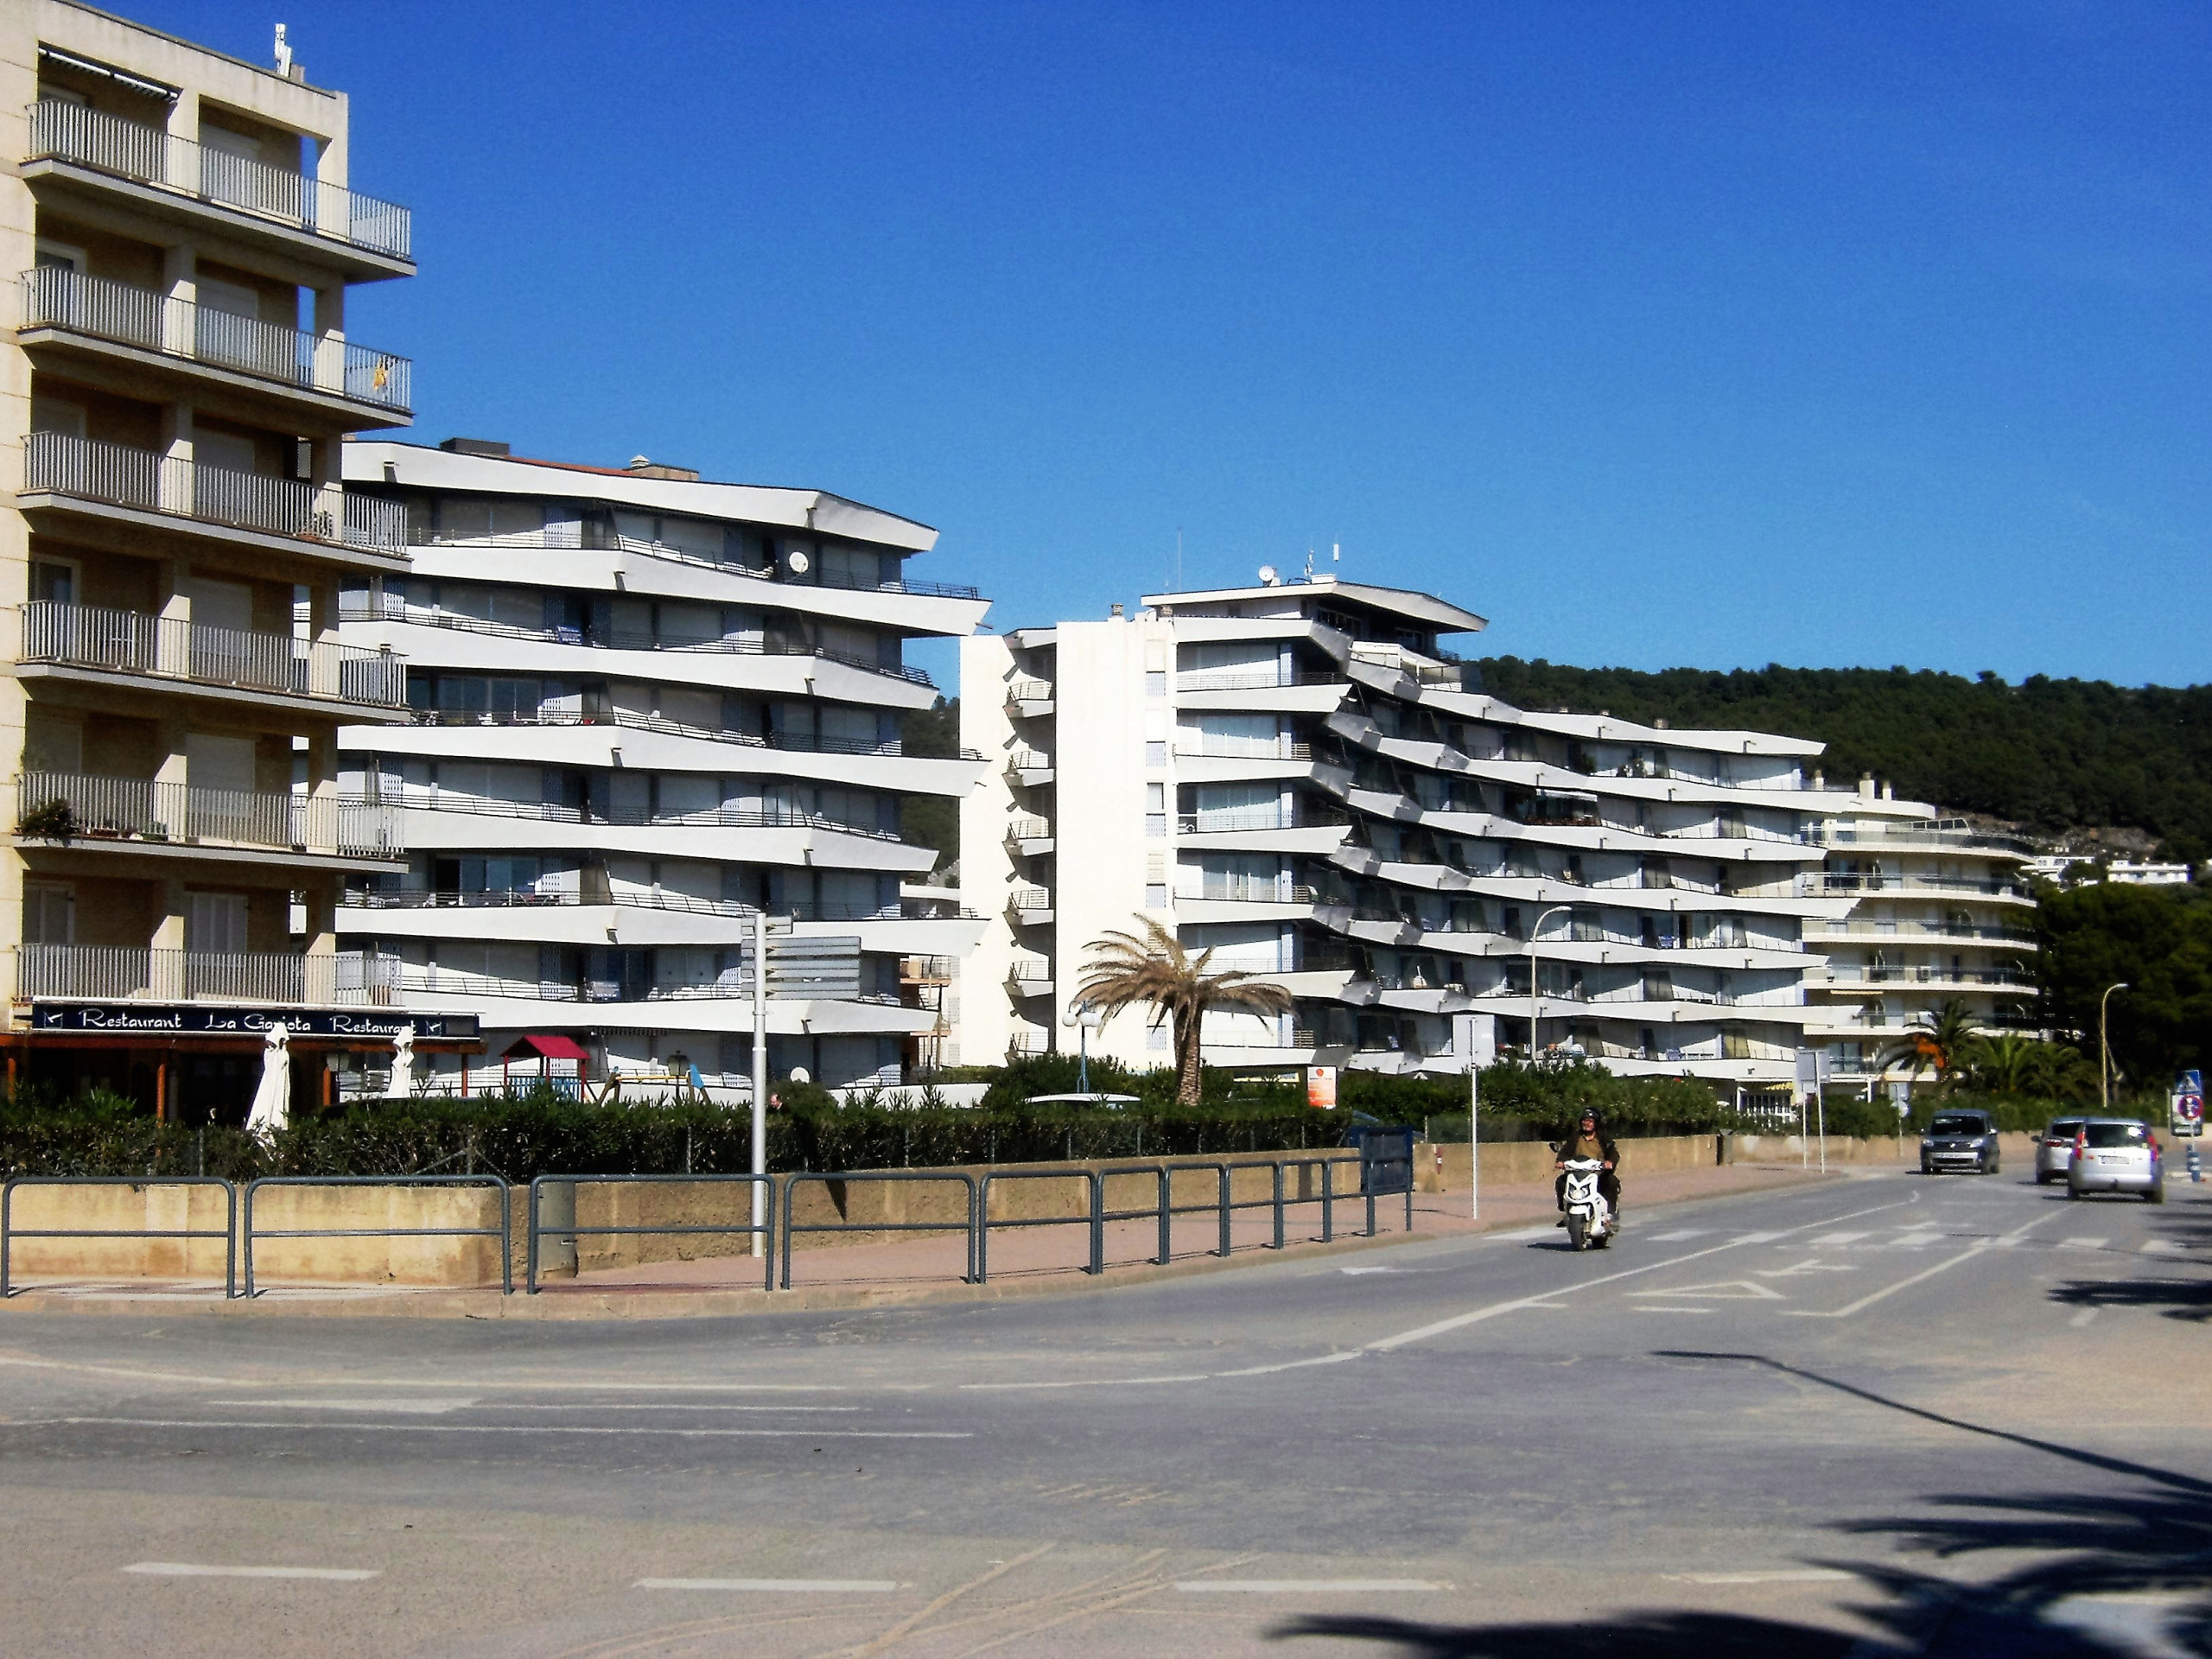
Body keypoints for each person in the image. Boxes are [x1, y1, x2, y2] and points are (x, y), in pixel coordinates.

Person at [1554, 1109, 1622, 1226]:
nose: (1587, 1124)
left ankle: (1611, 1212)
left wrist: (1609, 1162)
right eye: (1584, 1121)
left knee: (1611, 1182)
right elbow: (1565, 1152)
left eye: (1590, 1121)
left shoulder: (1603, 1138)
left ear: (1596, 1123)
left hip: (1597, 1173)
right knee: (1561, 1182)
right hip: (1577, 1172)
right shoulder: (1576, 1137)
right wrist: (1560, 1161)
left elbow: (1613, 1153)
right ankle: (1566, 1210)